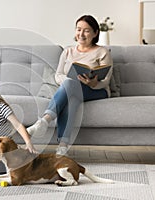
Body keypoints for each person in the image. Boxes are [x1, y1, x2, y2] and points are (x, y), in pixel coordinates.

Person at [27, 15, 113, 155]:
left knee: (71, 86)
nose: (81, 34)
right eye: (78, 29)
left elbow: (106, 81)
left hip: (97, 90)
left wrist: (92, 83)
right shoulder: (68, 51)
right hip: (73, 89)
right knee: (72, 97)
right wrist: (68, 82)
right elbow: (58, 75)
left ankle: (44, 121)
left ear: (95, 33)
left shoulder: (102, 52)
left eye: (86, 30)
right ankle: (62, 147)